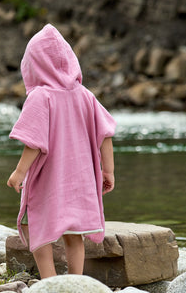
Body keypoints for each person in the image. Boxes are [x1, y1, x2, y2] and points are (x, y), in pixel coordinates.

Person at [6, 24, 116, 279]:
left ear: (33, 65)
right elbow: (106, 135)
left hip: (50, 179)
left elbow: (34, 142)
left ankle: (49, 281)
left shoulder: (40, 97)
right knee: (74, 234)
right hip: (80, 179)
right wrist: (107, 170)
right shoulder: (85, 95)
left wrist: (19, 172)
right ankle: (76, 281)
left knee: (36, 227)